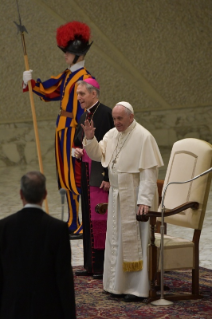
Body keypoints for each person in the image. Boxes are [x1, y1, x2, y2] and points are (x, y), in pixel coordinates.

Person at [81, 101, 164, 301]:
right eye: (115, 118)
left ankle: (136, 289)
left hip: (134, 197)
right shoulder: (111, 135)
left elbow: (149, 173)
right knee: (115, 241)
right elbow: (98, 154)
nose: (116, 122)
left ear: (131, 117)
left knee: (133, 242)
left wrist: (144, 200)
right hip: (117, 195)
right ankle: (116, 285)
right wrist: (90, 138)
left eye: (120, 119)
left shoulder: (144, 137)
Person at [22, 21, 95, 238]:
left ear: (78, 55)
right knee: (64, 178)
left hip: (72, 133)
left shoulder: (85, 79)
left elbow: (86, 111)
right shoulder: (67, 75)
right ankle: (73, 222)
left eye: (68, 52)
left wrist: (79, 140)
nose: (65, 55)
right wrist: (31, 83)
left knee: (74, 179)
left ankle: (78, 223)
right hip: (62, 133)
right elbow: (49, 90)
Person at [0, 171, 76, 318]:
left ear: (21, 194)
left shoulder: (4, 227)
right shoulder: (58, 229)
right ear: (45, 194)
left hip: (12, 308)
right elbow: (64, 278)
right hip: (49, 309)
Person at [73, 78, 114, 279]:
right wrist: (77, 150)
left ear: (93, 94)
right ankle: (90, 265)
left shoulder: (106, 114)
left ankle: (102, 266)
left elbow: (110, 149)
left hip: (99, 175)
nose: (78, 97)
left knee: (100, 219)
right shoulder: (85, 114)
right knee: (88, 221)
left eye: (82, 94)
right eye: (78, 94)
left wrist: (108, 177)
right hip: (87, 173)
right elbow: (78, 141)